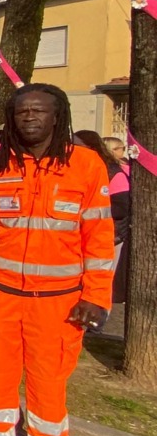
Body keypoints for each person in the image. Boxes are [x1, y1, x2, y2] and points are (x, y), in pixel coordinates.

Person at [0, 85, 114, 436]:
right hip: (0, 296)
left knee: (49, 385)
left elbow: (99, 238)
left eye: (39, 111)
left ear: (57, 116)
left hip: (59, 303)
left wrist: (96, 296)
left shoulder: (86, 165)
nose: (29, 117)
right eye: (22, 111)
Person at [74, 130, 130, 308]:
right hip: (83, 235)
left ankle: (99, 312)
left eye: (77, 146)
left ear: (91, 148)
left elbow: (121, 206)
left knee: (102, 280)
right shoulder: (78, 169)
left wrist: (87, 208)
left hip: (110, 236)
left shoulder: (113, 172)